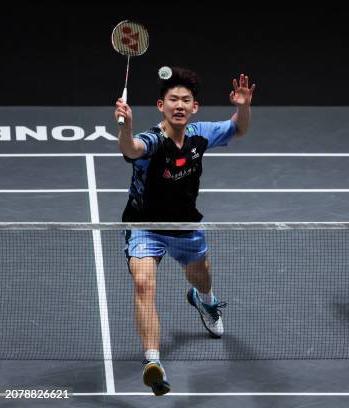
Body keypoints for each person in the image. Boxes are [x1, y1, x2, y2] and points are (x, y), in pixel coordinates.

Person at [114, 67, 255, 396]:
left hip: (186, 226)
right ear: (161, 105)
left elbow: (238, 128)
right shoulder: (152, 140)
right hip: (145, 226)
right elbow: (132, 149)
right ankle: (153, 361)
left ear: (194, 107)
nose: (179, 104)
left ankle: (204, 301)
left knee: (201, 278)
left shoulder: (201, 134)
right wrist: (126, 127)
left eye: (185, 100)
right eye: (173, 99)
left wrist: (243, 106)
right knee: (143, 283)